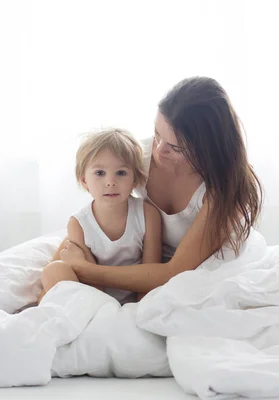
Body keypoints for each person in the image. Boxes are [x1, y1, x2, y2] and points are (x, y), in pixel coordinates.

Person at [49, 76, 263, 297]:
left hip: (198, 272)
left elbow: (176, 272)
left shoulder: (226, 189)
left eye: (175, 147)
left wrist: (88, 270)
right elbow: (101, 213)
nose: (159, 151)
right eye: (157, 134)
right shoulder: (140, 157)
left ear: (208, 149)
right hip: (149, 267)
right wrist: (63, 265)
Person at [40, 128, 162, 304]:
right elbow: (88, 276)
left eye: (121, 173)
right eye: (99, 173)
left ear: (134, 179)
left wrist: (139, 309)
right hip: (94, 294)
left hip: (136, 294)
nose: (110, 182)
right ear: (84, 180)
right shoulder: (78, 223)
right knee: (53, 270)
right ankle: (87, 315)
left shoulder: (148, 214)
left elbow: (151, 271)